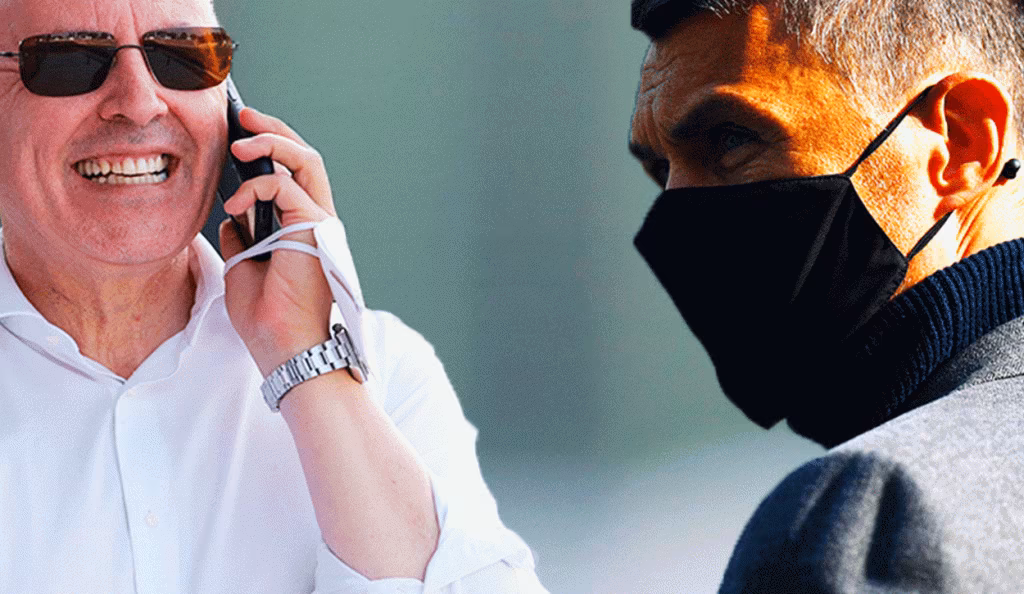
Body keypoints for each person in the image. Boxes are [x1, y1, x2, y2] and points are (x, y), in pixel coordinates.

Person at [0, 0, 547, 592]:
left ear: (232, 113)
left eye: (183, 57)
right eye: (69, 61)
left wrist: (309, 366)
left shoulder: (383, 375)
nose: (141, 101)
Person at [628, 0, 1024, 590]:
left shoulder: (876, 514)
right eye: (661, 170)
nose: (678, 214)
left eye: (732, 140)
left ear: (960, 143)